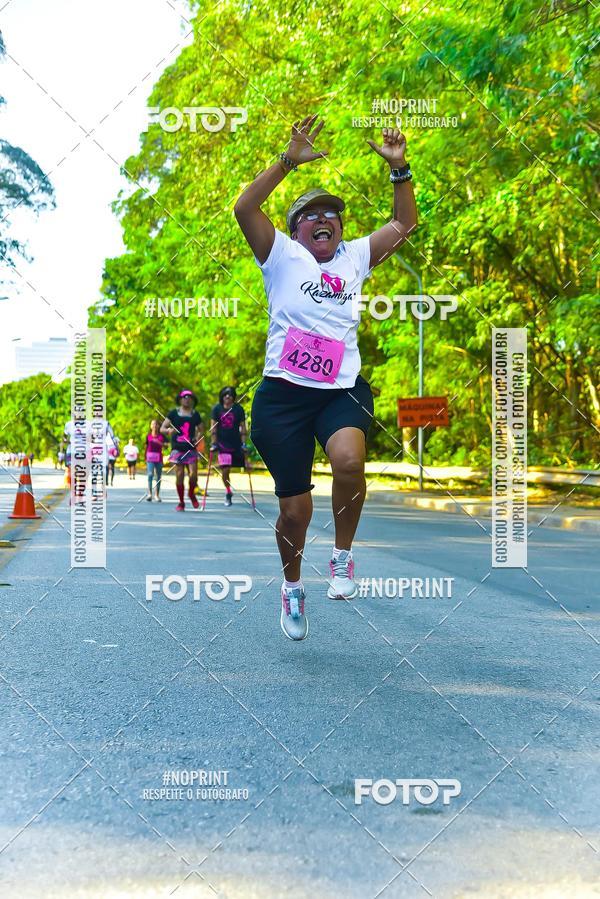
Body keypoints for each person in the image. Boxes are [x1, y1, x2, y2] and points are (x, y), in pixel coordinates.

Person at [234, 115, 417, 640]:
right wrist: (289, 160)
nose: (323, 220)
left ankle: (341, 556)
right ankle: (292, 587)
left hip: (341, 391)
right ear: (294, 230)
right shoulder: (280, 256)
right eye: (310, 215)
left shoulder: (355, 257)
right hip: (283, 398)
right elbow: (244, 208)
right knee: (295, 511)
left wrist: (400, 169)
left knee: (350, 461)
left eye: (331, 215)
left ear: (340, 227)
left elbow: (404, 225)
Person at [160, 389, 204, 511]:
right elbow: (162, 428)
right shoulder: (174, 413)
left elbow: (201, 429)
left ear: (192, 400)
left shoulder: (195, 415)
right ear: (180, 399)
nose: (187, 399)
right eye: (184, 397)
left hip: (191, 448)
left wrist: (197, 437)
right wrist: (169, 431)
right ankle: (181, 502)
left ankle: (191, 493)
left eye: (189, 397)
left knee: (193, 475)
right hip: (177, 449)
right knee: (179, 475)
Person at [209, 386, 250, 506]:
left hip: (236, 443)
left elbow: (243, 427)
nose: (228, 396)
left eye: (230, 394)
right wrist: (214, 443)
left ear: (233, 397)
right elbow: (213, 427)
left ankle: (229, 490)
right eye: (225, 394)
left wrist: (243, 443)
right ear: (222, 396)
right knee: (225, 469)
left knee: (240, 466)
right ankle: (228, 491)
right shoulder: (217, 409)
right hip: (222, 444)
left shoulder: (238, 409)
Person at [145, 419, 165, 502]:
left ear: (158, 426)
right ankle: (149, 494)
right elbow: (146, 446)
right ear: (150, 426)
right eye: (152, 424)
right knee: (150, 475)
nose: (154, 426)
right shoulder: (148, 436)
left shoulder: (161, 436)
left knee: (158, 476)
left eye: (156, 424)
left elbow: (165, 445)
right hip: (150, 458)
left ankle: (157, 495)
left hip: (158, 458)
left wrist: (158, 442)